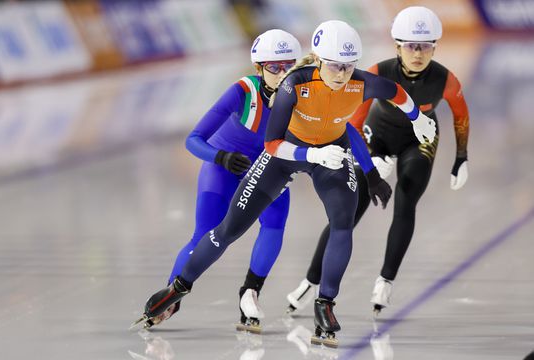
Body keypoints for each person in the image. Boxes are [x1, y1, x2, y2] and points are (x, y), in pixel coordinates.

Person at [133, 20, 436, 348]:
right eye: (334, 66)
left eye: (349, 67)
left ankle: (323, 305)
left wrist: (415, 120)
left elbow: (392, 96)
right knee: (227, 230)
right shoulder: (293, 86)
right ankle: (178, 287)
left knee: (342, 223)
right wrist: (310, 155)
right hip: (286, 154)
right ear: (318, 61)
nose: (341, 75)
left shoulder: (361, 83)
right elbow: (273, 145)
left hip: (329, 156)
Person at [286, 6, 470, 317]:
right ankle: (310, 279)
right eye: (411, 45)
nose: (418, 53)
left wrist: (461, 157)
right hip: (377, 136)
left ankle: (386, 279)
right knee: (350, 209)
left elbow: (461, 115)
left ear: (435, 47)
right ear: (397, 46)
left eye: (425, 46)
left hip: (419, 139)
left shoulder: (445, 79)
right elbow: (351, 122)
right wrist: (368, 162)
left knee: (406, 197)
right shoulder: (376, 73)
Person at [131, 29, 302, 329]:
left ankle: (251, 292)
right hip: (222, 168)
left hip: (265, 169)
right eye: (275, 67)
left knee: (276, 223)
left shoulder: (302, 96)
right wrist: (220, 157)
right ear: (259, 68)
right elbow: (193, 140)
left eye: (289, 66)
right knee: (206, 235)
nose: (283, 73)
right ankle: (172, 295)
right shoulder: (243, 92)